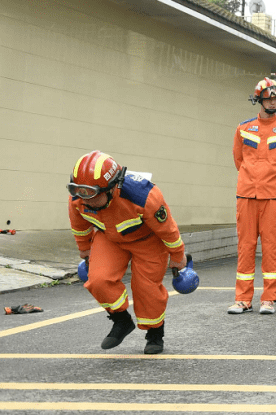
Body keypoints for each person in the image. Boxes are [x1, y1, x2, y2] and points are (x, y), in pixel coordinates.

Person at [67, 151, 187, 354]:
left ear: (112, 187)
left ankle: (155, 334)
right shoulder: (79, 198)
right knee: (98, 280)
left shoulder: (144, 196)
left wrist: (177, 255)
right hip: (110, 238)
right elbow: (79, 226)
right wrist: (85, 249)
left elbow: (168, 229)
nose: (85, 199)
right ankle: (121, 321)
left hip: (148, 241)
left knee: (146, 289)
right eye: (79, 191)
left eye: (91, 194)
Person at [232, 77, 276, 315]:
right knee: (245, 248)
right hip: (246, 197)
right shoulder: (243, 129)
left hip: (274, 198)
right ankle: (243, 299)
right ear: (259, 99)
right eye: (269, 98)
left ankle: (268, 299)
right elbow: (238, 161)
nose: (273, 102)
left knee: (271, 249)